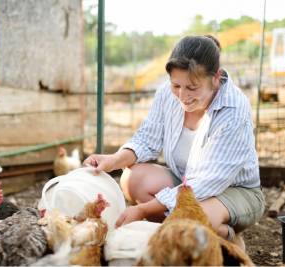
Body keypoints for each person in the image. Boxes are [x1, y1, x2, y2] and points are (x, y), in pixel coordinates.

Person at [83, 35, 265, 248]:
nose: (182, 95)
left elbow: (207, 182)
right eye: (176, 85)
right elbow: (146, 139)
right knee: (132, 178)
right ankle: (177, 233)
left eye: (192, 87)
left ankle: (227, 238)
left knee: (190, 219)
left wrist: (143, 210)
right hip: (187, 180)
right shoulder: (167, 94)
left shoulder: (234, 110)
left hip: (234, 191)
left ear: (215, 78)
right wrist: (113, 160)